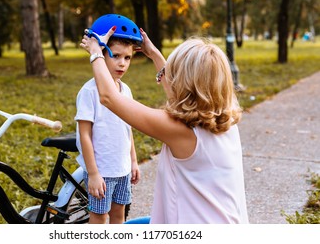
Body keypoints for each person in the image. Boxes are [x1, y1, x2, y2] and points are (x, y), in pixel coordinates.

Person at [80, 25, 249, 224]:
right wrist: (153, 53)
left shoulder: (179, 130)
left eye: (175, 73)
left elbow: (109, 97)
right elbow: (177, 96)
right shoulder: (225, 122)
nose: (171, 78)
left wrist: (96, 53)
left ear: (186, 83)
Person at [75, 14, 141, 224]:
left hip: (122, 168)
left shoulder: (126, 90)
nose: (122, 63)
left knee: (118, 216)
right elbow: (84, 135)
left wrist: (133, 160)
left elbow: (127, 128)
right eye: (116, 56)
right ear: (101, 54)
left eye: (127, 58)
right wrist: (93, 173)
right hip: (101, 170)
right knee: (99, 217)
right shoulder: (89, 91)